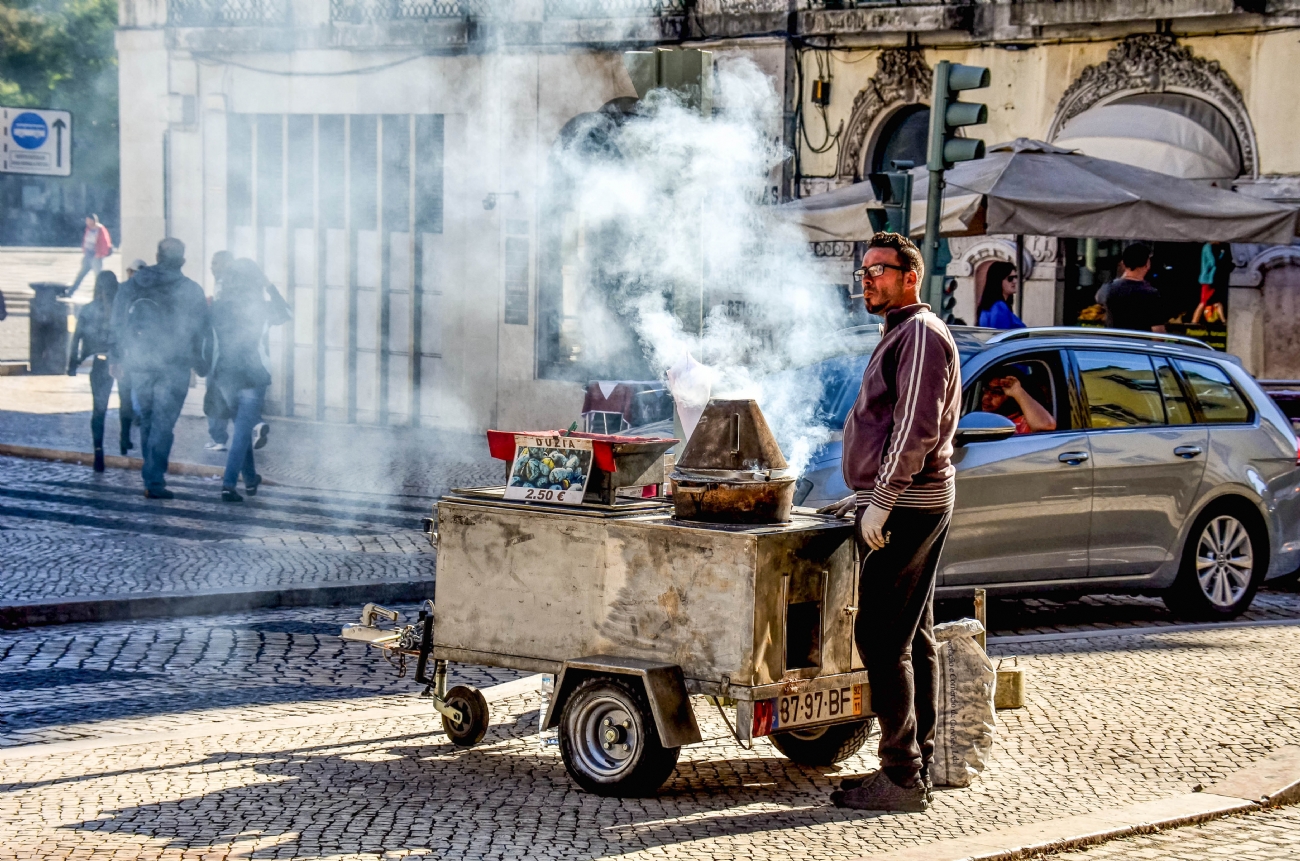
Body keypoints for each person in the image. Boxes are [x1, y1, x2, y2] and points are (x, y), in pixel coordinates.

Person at [822, 232, 962, 813]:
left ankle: (901, 776)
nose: (867, 280)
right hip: (908, 500)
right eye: (862, 273)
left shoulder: (922, 334)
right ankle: (917, 763)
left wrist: (880, 498)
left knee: (880, 637)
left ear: (911, 276)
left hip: (909, 504)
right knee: (914, 636)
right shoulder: (902, 332)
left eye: (878, 270)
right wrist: (862, 497)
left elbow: (915, 427)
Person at [109, 237, 211, 500]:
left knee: (148, 420)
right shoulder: (191, 290)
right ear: (183, 260)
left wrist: (116, 357)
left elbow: (117, 323)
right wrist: (201, 364)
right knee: (163, 425)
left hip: (140, 363)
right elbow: (200, 332)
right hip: (173, 365)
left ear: (156, 255)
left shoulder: (132, 285)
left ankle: (151, 475)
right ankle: (154, 479)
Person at [210, 258, 289, 502]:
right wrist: (269, 285)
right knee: (242, 433)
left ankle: (251, 479)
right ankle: (228, 485)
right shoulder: (261, 306)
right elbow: (286, 313)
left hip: (225, 376)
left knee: (242, 430)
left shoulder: (218, 306)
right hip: (253, 376)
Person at [68, 270, 135, 470]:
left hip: (99, 362)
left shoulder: (89, 308)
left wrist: (72, 363)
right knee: (126, 401)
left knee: (99, 409)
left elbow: (77, 336)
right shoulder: (123, 308)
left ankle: (98, 451)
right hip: (123, 361)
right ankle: (125, 439)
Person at [204, 251, 235, 452]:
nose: (211, 267)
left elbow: (219, 319)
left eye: (216, 263)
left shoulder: (224, 285)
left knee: (215, 395)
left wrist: (210, 307)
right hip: (230, 353)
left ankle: (219, 438)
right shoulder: (232, 285)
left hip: (220, 353)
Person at [1100, 244, 1165, 333]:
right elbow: (1158, 330)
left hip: (1114, 343)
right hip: (1139, 344)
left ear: (1123, 263)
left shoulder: (1111, 288)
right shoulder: (1150, 293)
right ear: (1147, 264)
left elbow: (1098, 298)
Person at [979, 372, 1055, 433]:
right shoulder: (978, 418)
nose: (987, 397)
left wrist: (1017, 391)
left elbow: (1045, 426)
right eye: (986, 390)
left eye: (996, 392)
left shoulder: (1025, 422)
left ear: (1012, 397)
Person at [976, 261, 1025, 329]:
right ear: (998, 281)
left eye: (1016, 277)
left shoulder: (989, 306)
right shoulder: (999, 307)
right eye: (1010, 278)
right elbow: (1001, 335)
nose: (1015, 281)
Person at [70, 215, 113, 293]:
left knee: (98, 277)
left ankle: (99, 295)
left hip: (96, 257)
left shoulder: (100, 230)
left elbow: (105, 243)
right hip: (88, 255)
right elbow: (86, 240)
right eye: (86, 220)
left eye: (88, 220)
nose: (87, 222)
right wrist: (85, 250)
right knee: (81, 275)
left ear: (93, 221)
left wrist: (99, 254)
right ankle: (70, 292)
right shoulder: (88, 229)